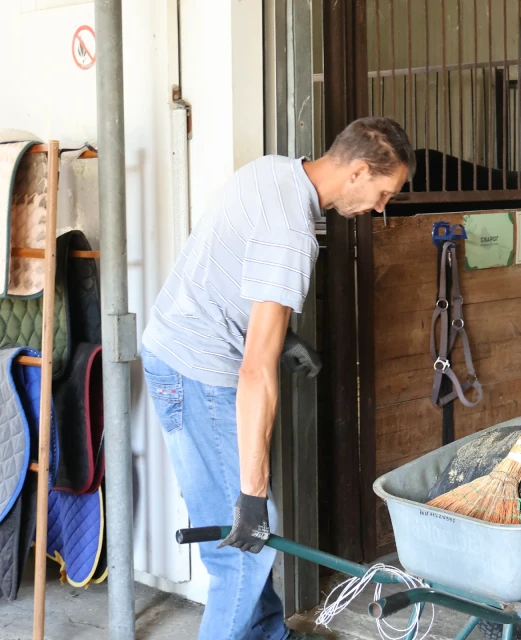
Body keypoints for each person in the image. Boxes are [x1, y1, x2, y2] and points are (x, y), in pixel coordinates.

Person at [140, 117, 416, 640]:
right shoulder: (292, 236)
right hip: (202, 372)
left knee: (248, 540)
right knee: (242, 552)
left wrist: (282, 337)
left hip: (174, 349)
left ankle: (269, 634)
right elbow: (254, 373)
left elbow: (232, 269)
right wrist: (251, 497)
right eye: (384, 193)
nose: (382, 208)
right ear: (358, 172)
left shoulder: (275, 172)